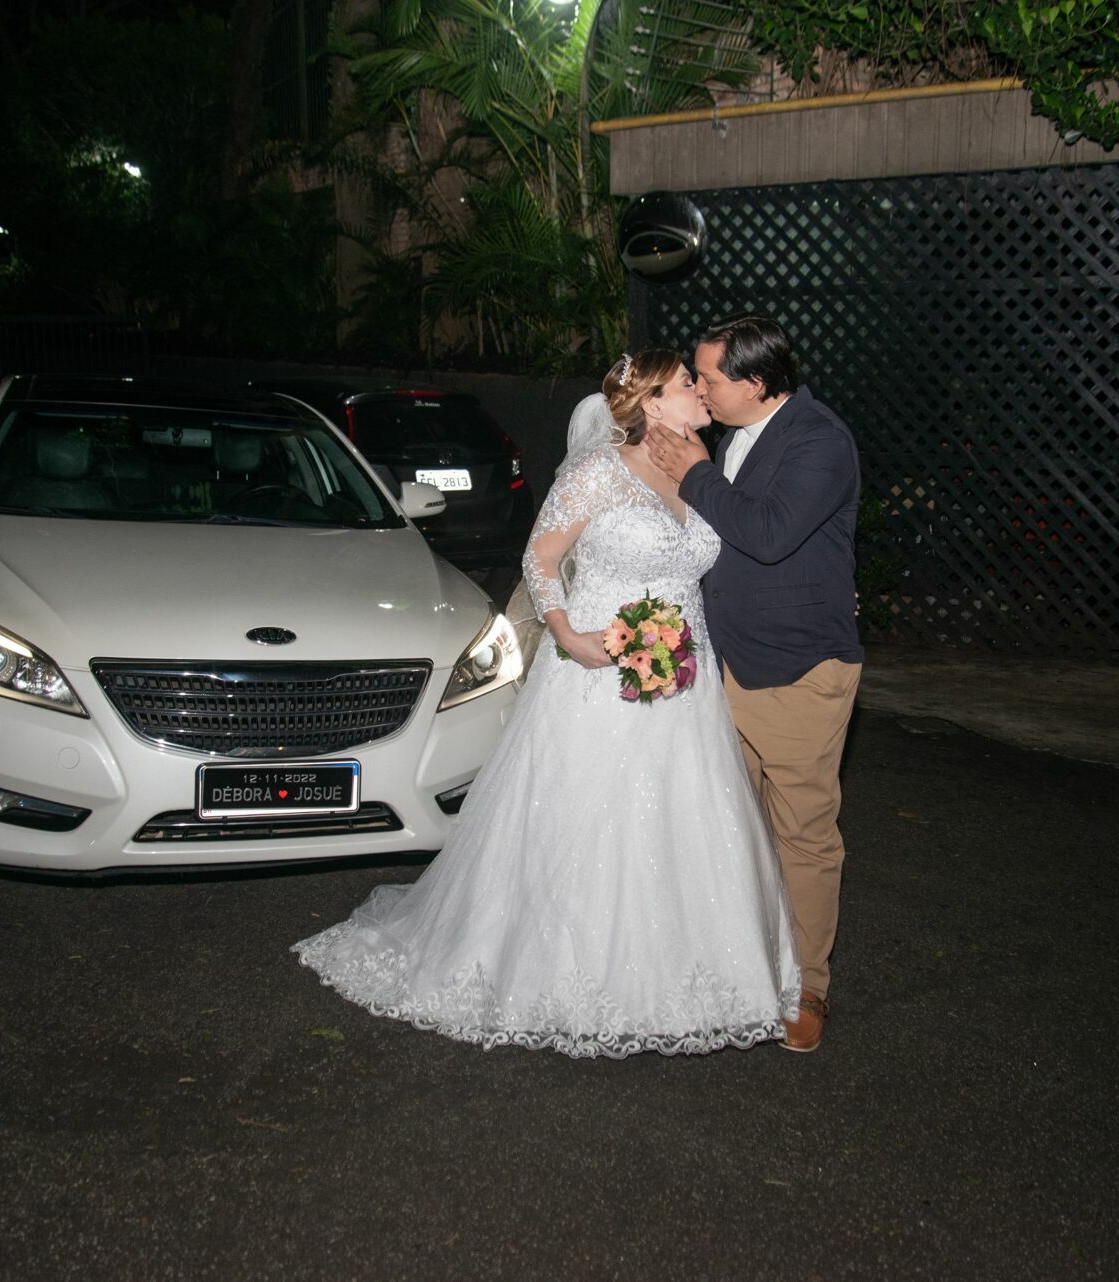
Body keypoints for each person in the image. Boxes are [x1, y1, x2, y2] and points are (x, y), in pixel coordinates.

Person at [294, 349, 800, 1058]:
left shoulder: (704, 470)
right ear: (652, 404)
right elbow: (540, 557)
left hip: (686, 679)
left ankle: (695, 977)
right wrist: (566, 632)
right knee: (588, 818)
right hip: (597, 672)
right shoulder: (599, 471)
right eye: (688, 383)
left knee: (687, 818)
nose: (702, 391)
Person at [643, 314, 863, 1054]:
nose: (699, 388)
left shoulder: (820, 441)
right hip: (720, 662)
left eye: (707, 377)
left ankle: (807, 988)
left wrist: (693, 471)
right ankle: (740, 964)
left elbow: (767, 533)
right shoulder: (732, 436)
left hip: (796, 669)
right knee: (730, 826)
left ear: (755, 383)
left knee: (800, 833)